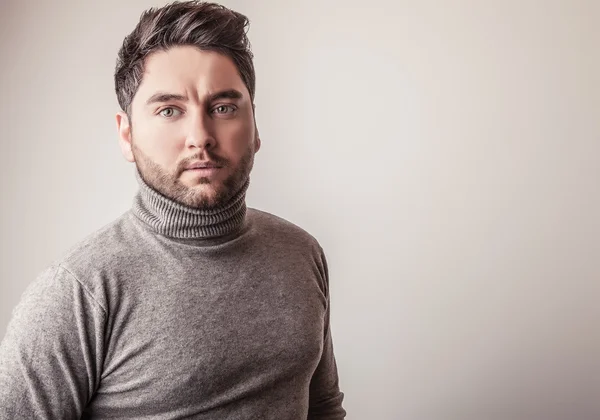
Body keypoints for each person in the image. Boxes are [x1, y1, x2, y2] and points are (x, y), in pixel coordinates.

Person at [0, 1, 346, 418]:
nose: (200, 136)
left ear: (255, 126)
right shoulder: (80, 291)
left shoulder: (300, 253)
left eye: (223, 108)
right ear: (126, 136)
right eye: (169, 110)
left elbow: (324, 407)